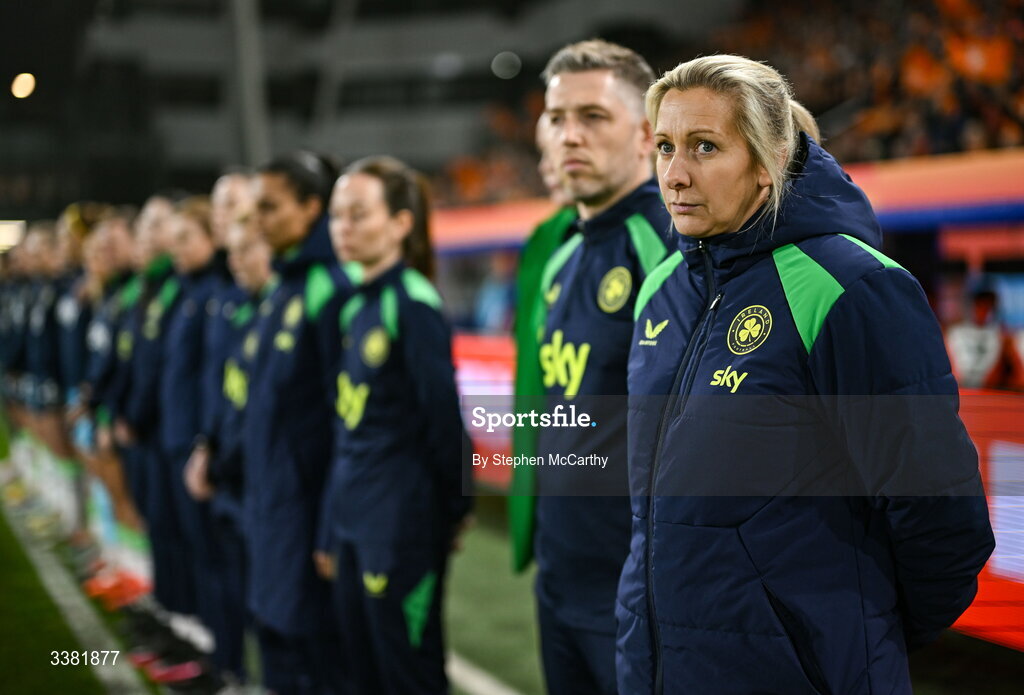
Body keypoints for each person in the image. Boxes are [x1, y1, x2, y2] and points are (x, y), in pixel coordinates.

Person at [618, 54, 995, 695]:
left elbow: (942, 518)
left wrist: (853, 637)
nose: (674, 176)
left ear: (766, 163)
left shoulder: (850, 286)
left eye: (705, 147)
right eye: (664, 147)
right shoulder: (660, 289)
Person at [506, 40, 670, 695]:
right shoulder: (559, 257)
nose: (568, 134)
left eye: (593, 117)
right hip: (560, 575)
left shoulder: (670, 245)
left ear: (645, 134)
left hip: (638, 590)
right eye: (556, 116)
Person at [317, 154, 472, 695]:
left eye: (358, 214)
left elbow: (443, 421)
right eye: (337, 216)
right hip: (355, 523)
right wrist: (332, 525)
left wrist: (453, 508)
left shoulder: (414, 303)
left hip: (401, 526)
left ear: (401, 224)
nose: (343, 227)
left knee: (408, 672)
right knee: (362, 671)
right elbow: (348, 431)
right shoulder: (351, 306)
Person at [244, 150, 355, 695]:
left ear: (312, 207)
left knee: (315, 650)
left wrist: (330, 525)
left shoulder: (328, 287)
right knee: (275, 632)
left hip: (307, 508)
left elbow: (345, 418)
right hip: (271, 500)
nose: (258, 219)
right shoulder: (283, 283)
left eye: (270, 206)